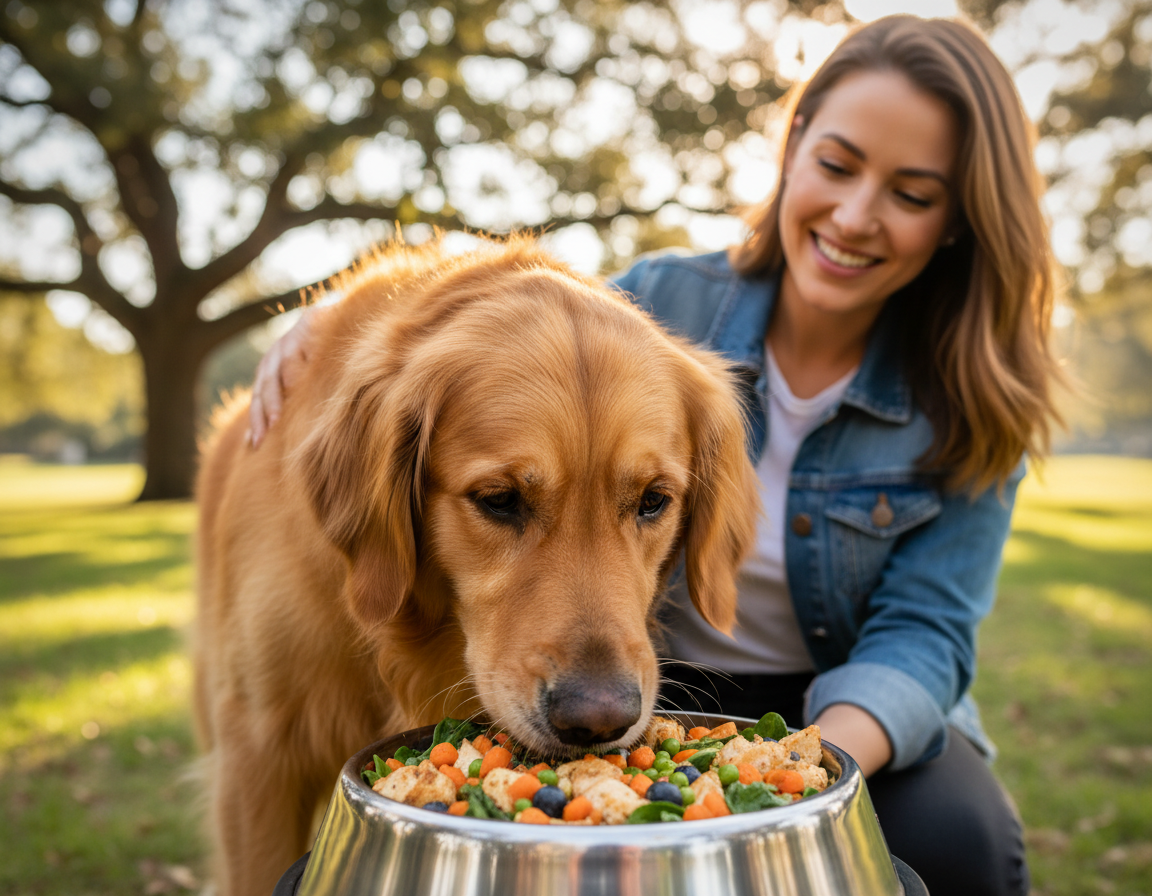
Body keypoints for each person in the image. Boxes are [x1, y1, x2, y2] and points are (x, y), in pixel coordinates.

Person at [248, 16, 1061, 896]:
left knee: (963, 845)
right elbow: (502, 311)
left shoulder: (979, 406)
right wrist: (338, 318)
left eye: (911, 193)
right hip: (679, 675)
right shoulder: (653, 302)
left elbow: (927, 639)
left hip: (849, 711)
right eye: (836, 165)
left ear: (955, 220)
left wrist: (789, 772)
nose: (855, 215)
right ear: (791, 152)